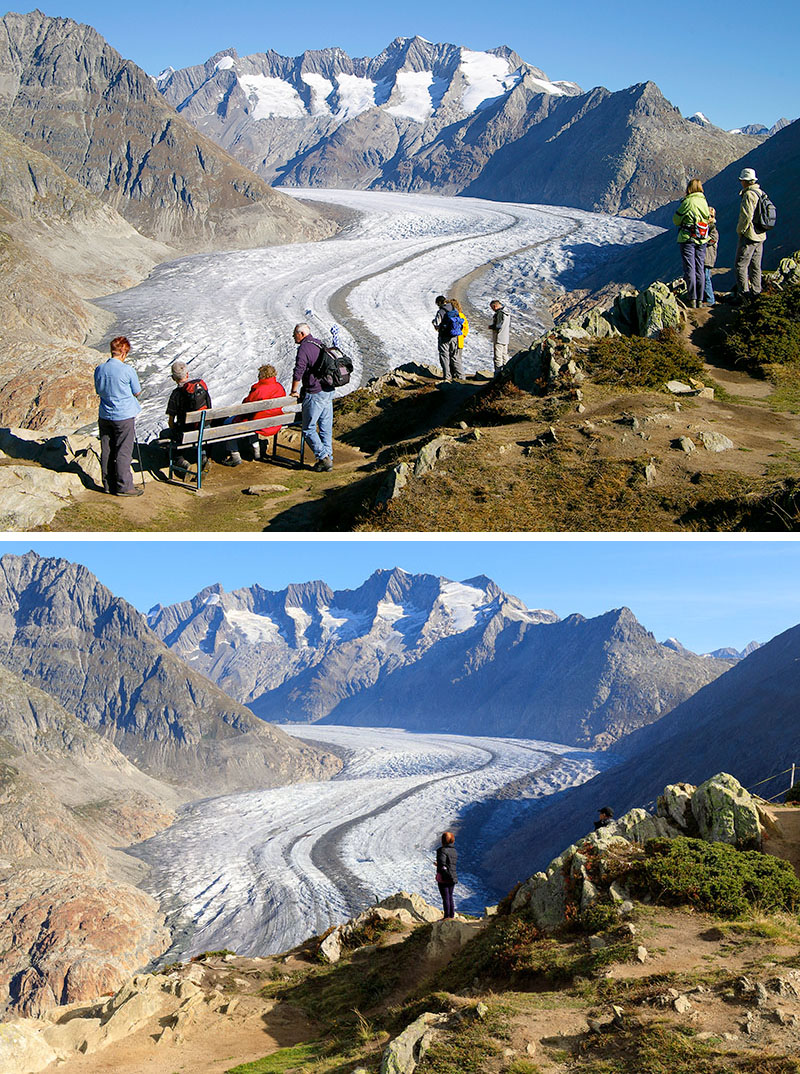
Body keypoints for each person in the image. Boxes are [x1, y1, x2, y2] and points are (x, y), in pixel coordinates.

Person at [93, 335, 143, 497]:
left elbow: (98, 390)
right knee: (123, 450)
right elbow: (136, 391)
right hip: (124, 415)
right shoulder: (127, 370)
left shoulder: (100, 369)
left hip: (105, 414)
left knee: (106, 449)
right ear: (124, 353)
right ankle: (124, 486)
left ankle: (108, 484)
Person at [222, 364, 288, 466]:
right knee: (255, 422)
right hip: (275, 423)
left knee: (228, 423)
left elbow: (246, 405)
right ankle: (257, 452)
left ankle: (235, 456)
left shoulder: (258, 389)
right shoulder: (279, 387)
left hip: (258, 424)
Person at [290, 323, 333, 472]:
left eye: (295, 334)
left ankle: (322, 457)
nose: (293, 336)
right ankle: (328, 457)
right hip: (328, 390)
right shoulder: (319, 343)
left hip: (315, 392)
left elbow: (299, 370)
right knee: (325, 426)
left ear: (301, 334)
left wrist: (294, 390)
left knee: (308, 428)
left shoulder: (304, 348)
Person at [166, 360, 212, 474]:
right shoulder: (200, 389)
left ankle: (182, 463)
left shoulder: (175, 394)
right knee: (199, 431)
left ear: (173, 378)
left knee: (165, 434)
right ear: (187, 374)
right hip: (203, 430)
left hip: (185, 432)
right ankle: (203, 458)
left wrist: (174, 429)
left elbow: (171, 421)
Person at [673, 179, 710, 308]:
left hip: (688, 238)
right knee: (700, 268)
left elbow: (676, 220)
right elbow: (707, 218)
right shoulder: (704, 201)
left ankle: (692, 298)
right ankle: (700, 299)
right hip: (702, 239)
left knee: (690, 268)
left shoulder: (688, 202)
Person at [735, 167, 767, 300]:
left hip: (750, 235)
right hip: (761, 234)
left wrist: (740, 230)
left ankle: (743, 294)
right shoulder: (761, 193)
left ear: (746, 181)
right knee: (756, 266)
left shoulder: (748, 194)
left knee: (741, 265)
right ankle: (756, 291)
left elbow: (746, 216)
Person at [432, 296, 463, 382]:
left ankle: (447, 376)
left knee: (444, 355)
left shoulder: (441, 311)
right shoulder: (454, 308)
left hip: (444, 336)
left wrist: (435, 324)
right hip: (454, 335)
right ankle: (461, 376)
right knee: (455, 356)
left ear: (439, 303)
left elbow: (437, 323)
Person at [435, 830, 458, 920]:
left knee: (445, 897)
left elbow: (443, 864)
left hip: (444, 877)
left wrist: (439, 865)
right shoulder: (454, 851)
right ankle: (451, 915)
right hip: (452, 876)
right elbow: (450, 863)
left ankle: (447, 917)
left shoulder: (442, 850)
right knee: (450, 896)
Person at [488, 299, 510, 374]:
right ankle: (506, 372)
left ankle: (498, 374)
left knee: (498, 357)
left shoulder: (499, 313)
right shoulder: (507, 313)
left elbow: (498, 326)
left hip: (499, 338)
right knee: (505, 356)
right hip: (505, 338)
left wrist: (491, 327)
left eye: (492, 308)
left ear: (495, 306)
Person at [704, 207, 718, 307]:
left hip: (707, 257)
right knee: (704, 277)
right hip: (706, 256)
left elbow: (713, 239)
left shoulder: (712, 228)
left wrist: (702, 240)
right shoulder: (709, 227)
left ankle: (710, 299)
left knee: (706, 278)